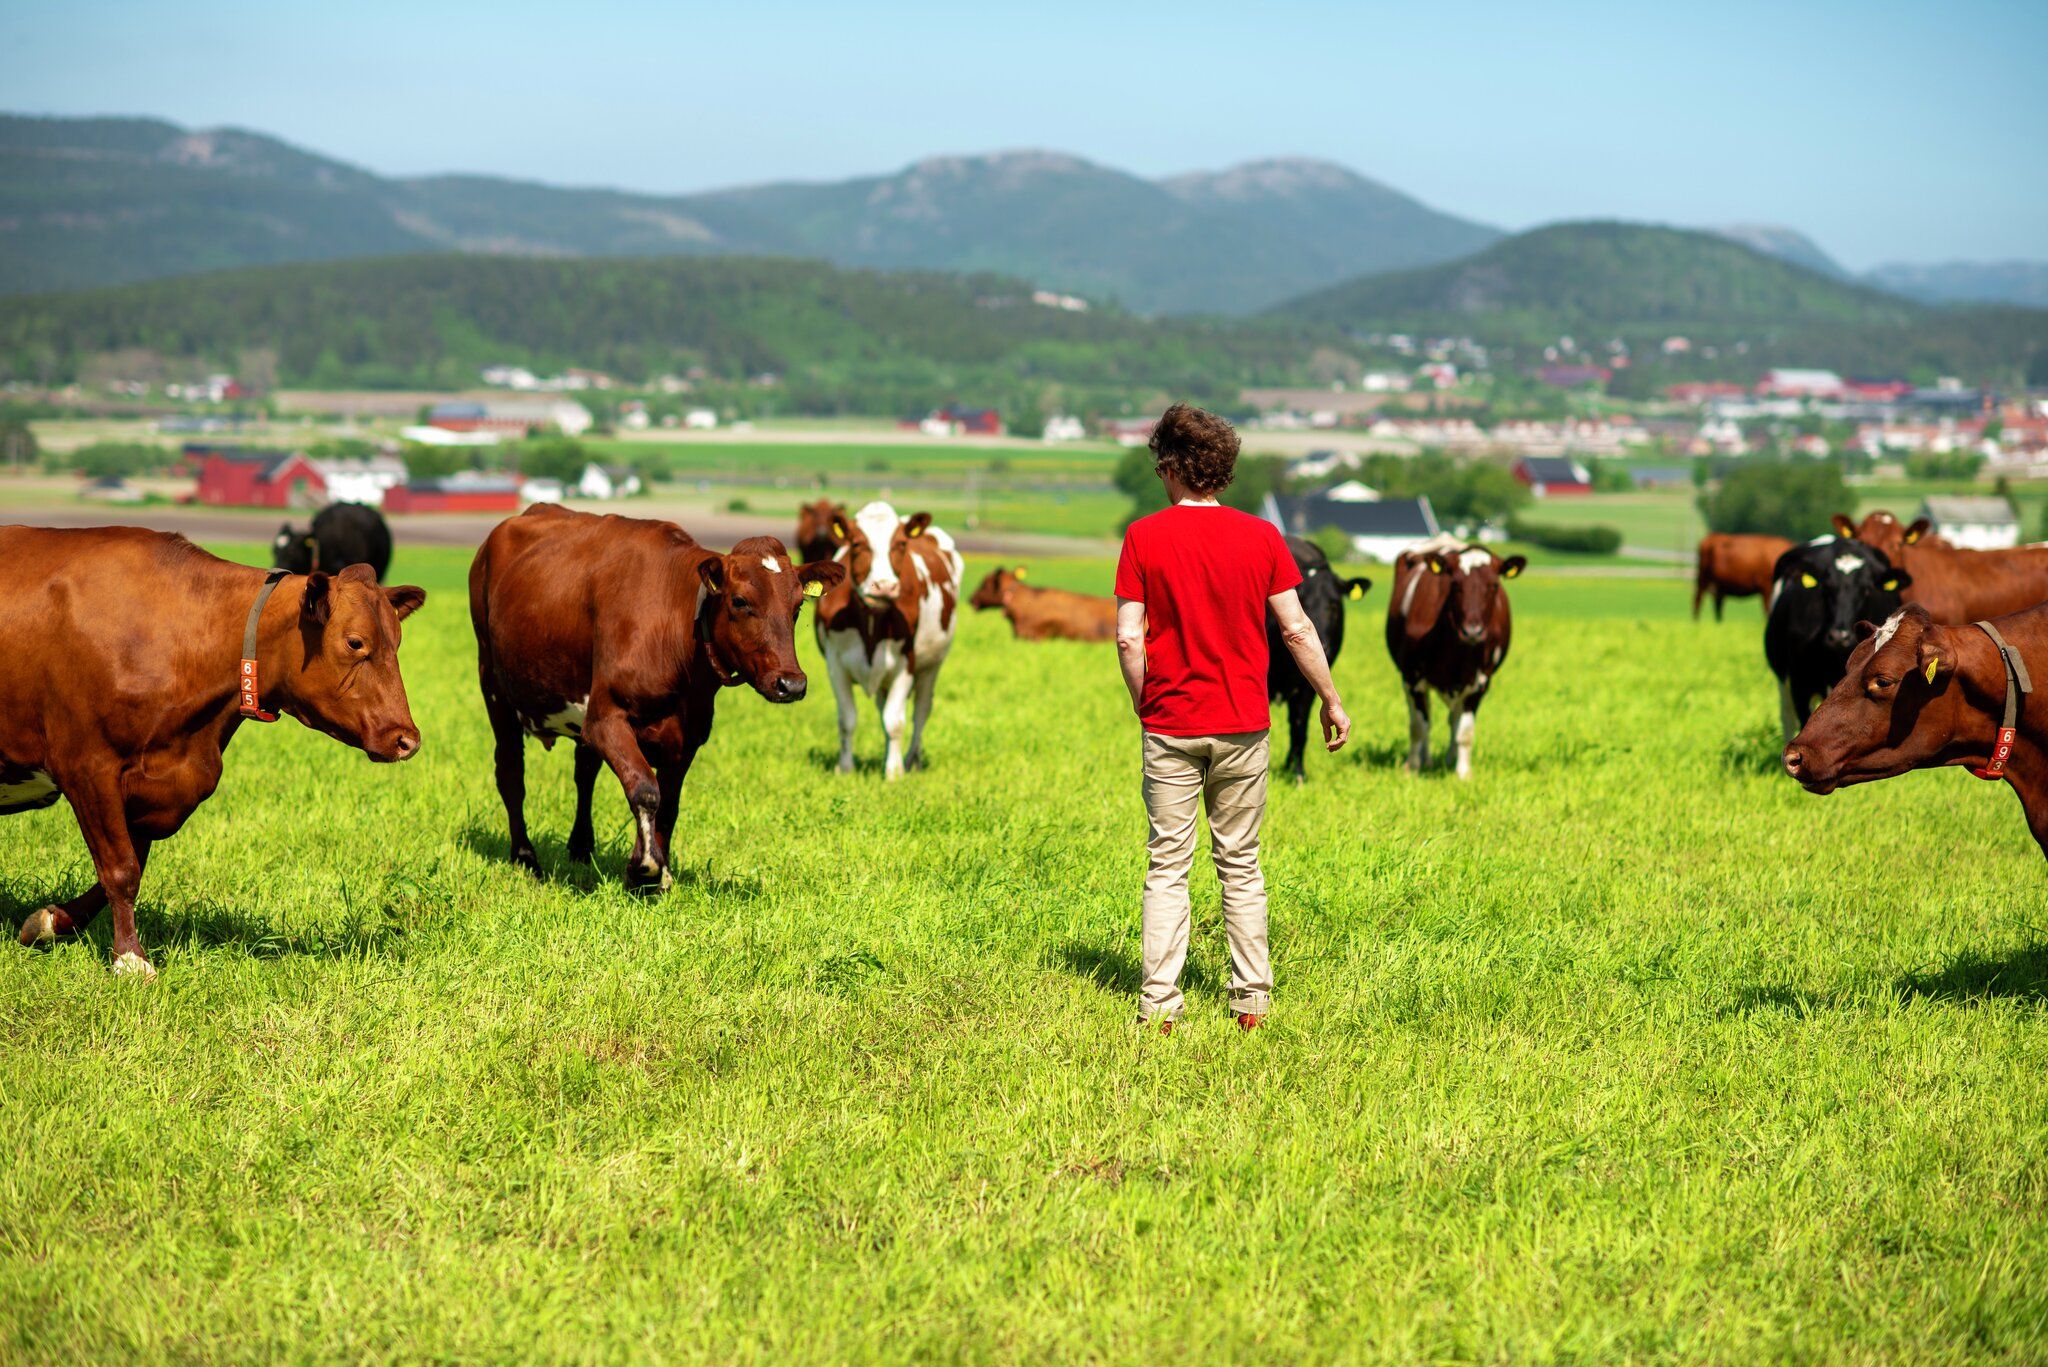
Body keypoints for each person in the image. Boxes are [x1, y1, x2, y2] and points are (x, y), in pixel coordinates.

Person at [1113, 403, 1351, 1033]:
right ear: (1220, 469)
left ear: (1170, 466)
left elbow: (1129, 638)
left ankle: (1160, 1007)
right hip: (1244, 724)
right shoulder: (1264, 537)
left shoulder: (1143, 537)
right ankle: (1251, 1003)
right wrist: (1330, 698)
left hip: (1171, 724)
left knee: (1168, 865)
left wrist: (1145, 701)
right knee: (1240, 864)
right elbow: (1296, 629)